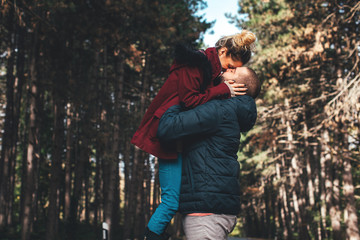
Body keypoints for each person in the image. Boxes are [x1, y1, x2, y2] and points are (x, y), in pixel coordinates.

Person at [131, 30, 256, 240]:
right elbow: (190, 101)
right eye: (231, 66)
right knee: (171, 201)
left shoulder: (212, 74)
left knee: (176, 199)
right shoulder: (197, 63)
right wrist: (223, 90)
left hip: (181, 137)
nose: (230, 72)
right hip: (168, 132)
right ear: (223, 51)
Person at [157, 67, 261, 240]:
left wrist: (178, 96)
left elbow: (167, 128)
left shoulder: (219, 110)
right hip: (212, 207)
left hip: (206, 212)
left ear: (233, 84)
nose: (227, 68)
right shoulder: (228, 111)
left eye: (233, 70)